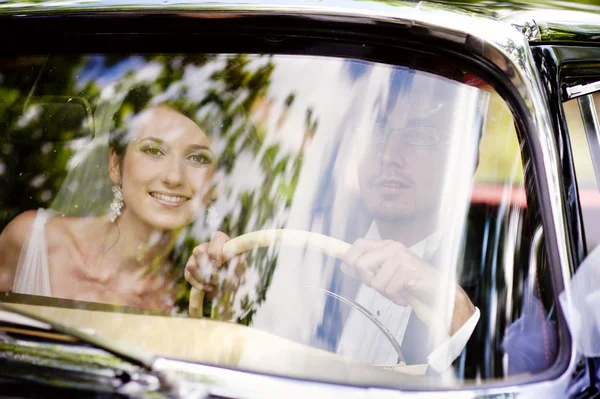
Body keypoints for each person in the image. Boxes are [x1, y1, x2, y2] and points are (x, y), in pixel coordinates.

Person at [184, 68, 483, 372]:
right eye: (376, 129)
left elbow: (503, 379)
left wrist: (455, 308)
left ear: (465, 160)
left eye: (419, 136)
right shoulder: (300, 237)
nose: (389, 154)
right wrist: (228, 291)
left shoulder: (508, 275)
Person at [0, 104, 217, 311]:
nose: (174, 177)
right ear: (115, 165)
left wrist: (225, 296)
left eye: (197, 157)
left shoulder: (203, 288)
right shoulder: (31, 242)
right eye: (153, 150)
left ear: (217, 184)